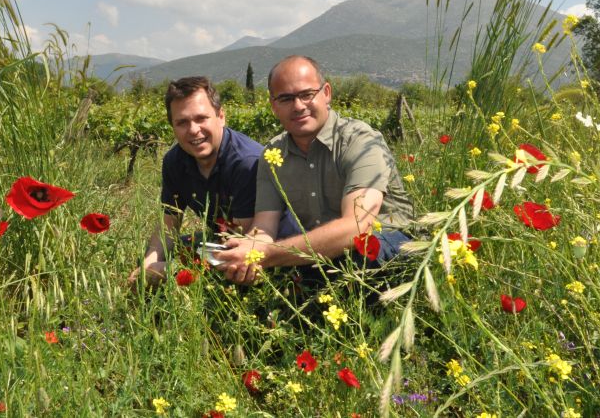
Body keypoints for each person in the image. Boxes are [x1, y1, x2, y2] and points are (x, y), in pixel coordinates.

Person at [214, 55, 414, 285]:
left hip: (389, 245)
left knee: (361, 253)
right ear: (273, 106)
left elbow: (356, 228)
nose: (298, 106)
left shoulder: (361, 142)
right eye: (286, 98)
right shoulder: (272, 155)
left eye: (306, 94)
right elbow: (265, 227)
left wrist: (268, 255)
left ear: (326, 93)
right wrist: (250, 251)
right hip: (326, 252)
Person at [128, 76, 297, 286]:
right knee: (153, 258)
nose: (193, 130)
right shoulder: (175, 161)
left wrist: (173, 269)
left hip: (273, 253)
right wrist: (148, 265)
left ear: (221, 116)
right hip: (224, 244)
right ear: (172, 126)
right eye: (182, 122)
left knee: (195, 270)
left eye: (201, 118)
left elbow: (244, 245)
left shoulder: (246, 163)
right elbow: (167, 228)